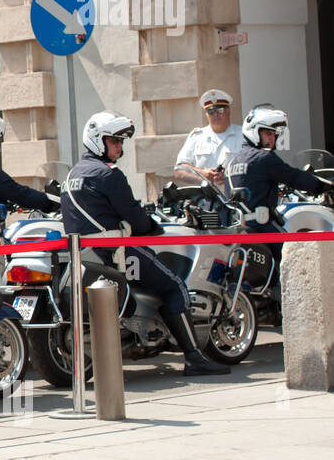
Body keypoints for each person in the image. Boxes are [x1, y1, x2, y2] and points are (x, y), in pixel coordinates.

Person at [61, 111, 228, 376]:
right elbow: (134, 217)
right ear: (97, 140)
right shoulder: (108, 174)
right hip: (116, 251)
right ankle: (194, 357)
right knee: (174, 286)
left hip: (83, 254)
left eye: (120, 141)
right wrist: (153, 227)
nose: (119, 146)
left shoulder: (71, 177)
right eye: (114, 140)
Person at [224, 104, 331, 261]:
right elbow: (294, 177)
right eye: (268, 134)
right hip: (262, 227)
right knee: (294, 259)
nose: (272, 139)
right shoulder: (263, 158)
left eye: (274, 135)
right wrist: (322, 186)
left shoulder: (232, 162)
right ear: (254, 131)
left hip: (239, 227)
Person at [175, 89, 244, 186]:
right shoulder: (197, 137)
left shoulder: (243, 135)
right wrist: (202, 174)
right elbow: (179, 171)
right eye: (211, 111)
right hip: (205, 197)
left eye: (220, 110)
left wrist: (229, 177)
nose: (215, 114)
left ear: (228, 111)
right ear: (206, 114)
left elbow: (255, 167)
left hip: (234, 197)